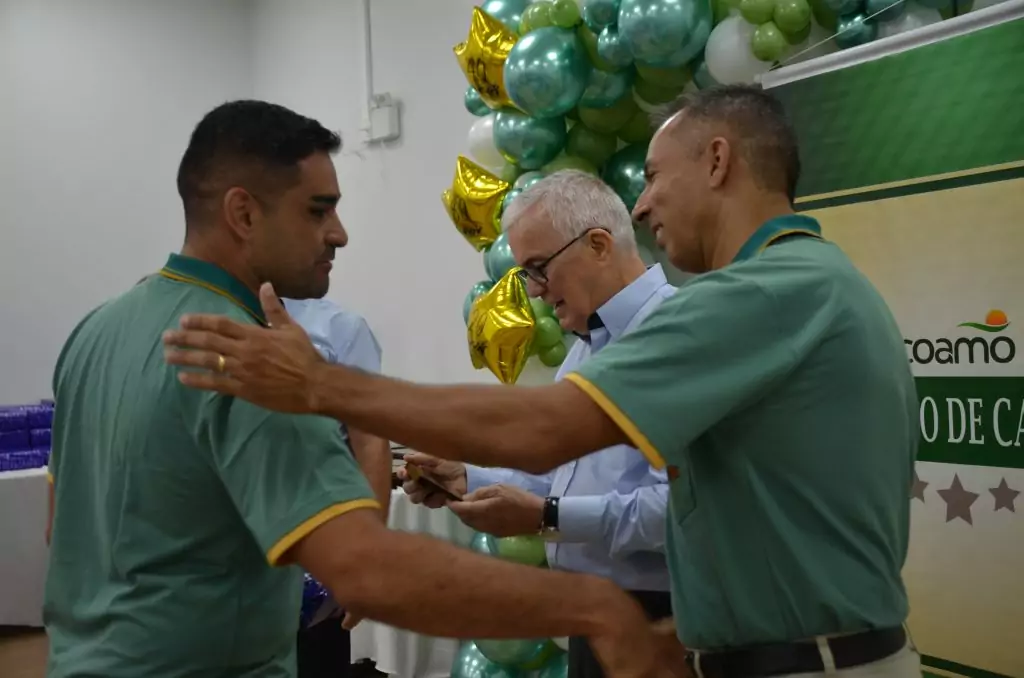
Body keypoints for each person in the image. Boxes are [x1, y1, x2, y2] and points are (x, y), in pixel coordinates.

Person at [163, 85, 921, 678]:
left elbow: (542, 431)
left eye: (654, 176)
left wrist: (322, 386)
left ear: (719, 162)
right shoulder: (809, 285)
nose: (645, 203)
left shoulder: (757, 296)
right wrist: (471, 476)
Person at [45, 99, 682, 678]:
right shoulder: (253, 362)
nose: (340, 233)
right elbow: (367, 571)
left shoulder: (94, 335)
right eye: (317, 210)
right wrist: (597, 609)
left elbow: (59, 528)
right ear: (242, 213)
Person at [401, 171, 675, 678]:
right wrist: (468, 479)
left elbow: (680, 512)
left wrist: (547, 517)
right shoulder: (584, 351)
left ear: (598, 244)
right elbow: (563, 477)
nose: (534, 292)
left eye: (538, 268)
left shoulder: (678, 338)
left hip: (663, 624)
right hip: (594, 619)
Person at [282, 297, 391, 678]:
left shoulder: (337, 329)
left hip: (308, 568)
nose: (335, 238)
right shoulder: (201, 316)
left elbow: (371, 443)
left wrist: (368, 561)